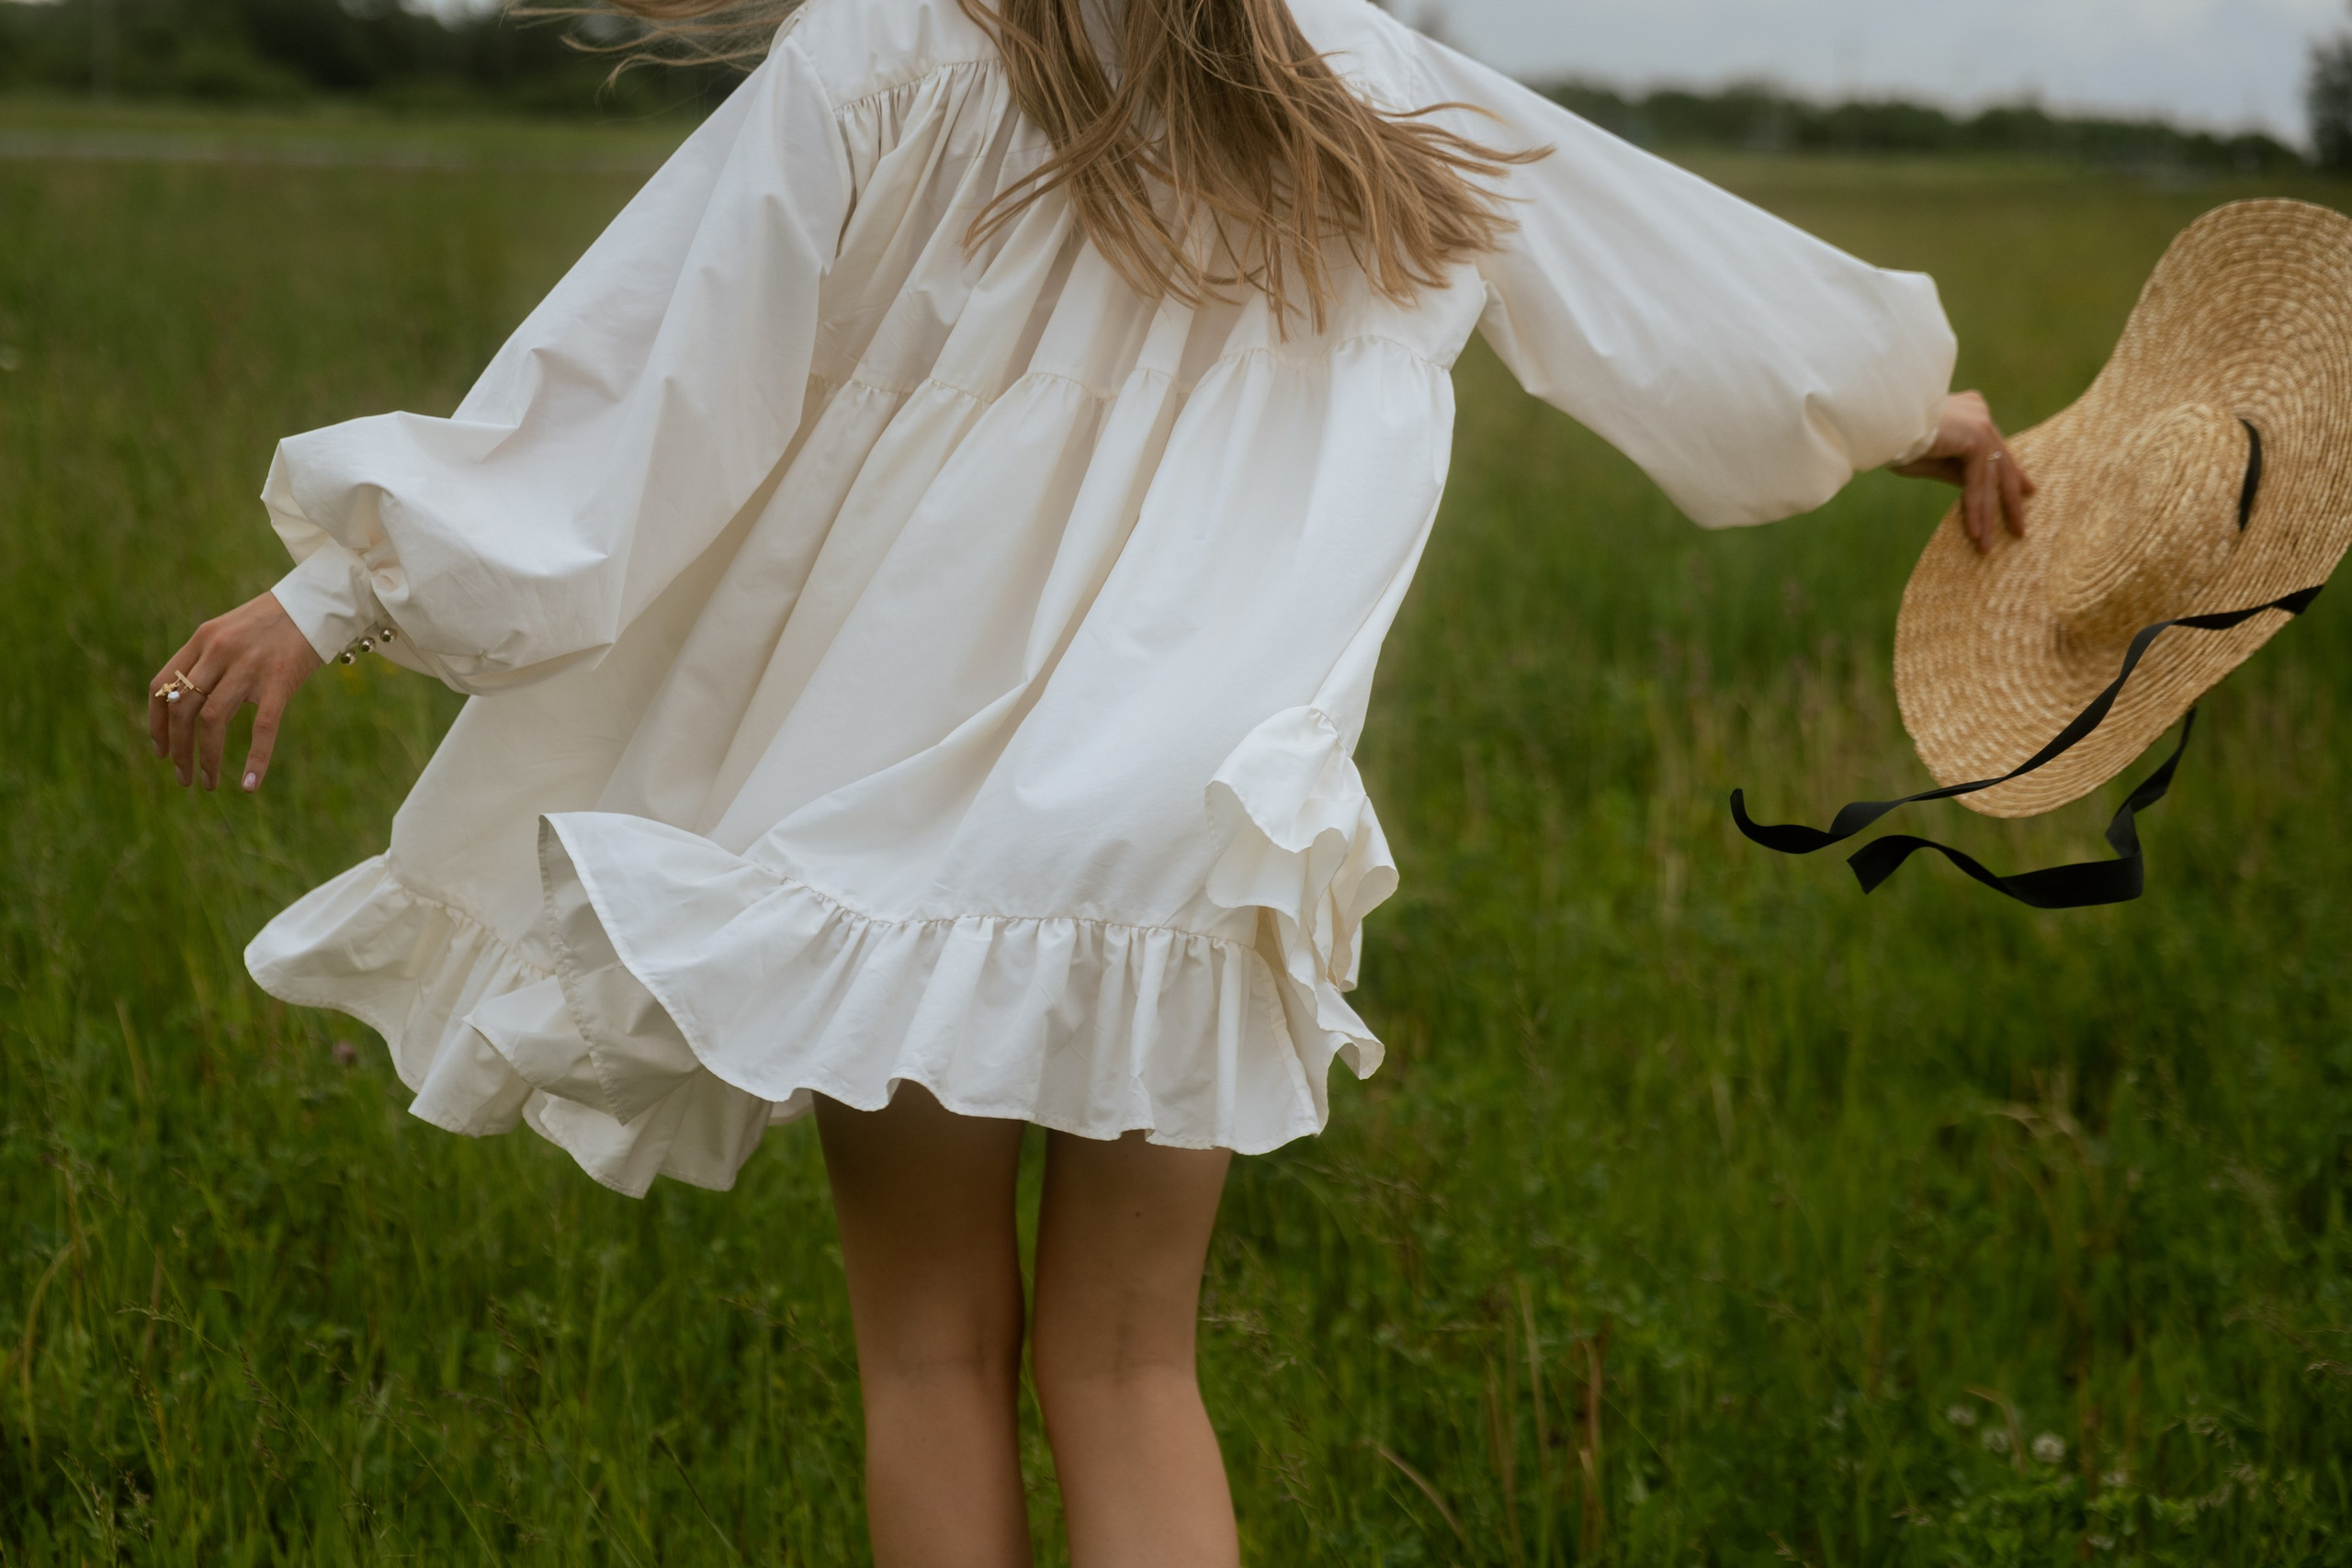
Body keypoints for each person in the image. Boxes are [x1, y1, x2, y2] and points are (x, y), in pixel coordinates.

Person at [143, 0, 2032, 1557]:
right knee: (1130, 1368)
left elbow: (648, 383)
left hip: (899, 829)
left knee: (931, 1354)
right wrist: (1920, 422)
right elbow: (1675, 313)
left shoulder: (881, 52)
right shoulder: (1366, 81)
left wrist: (337, 589)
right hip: (1186, 824)